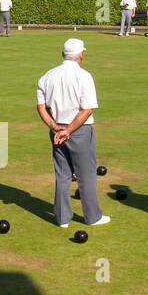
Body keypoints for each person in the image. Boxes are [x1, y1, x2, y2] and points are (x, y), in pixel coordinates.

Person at [37, 37, 110, 229]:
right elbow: (87, 110)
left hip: (56, 130)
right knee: (86, 175)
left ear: (63, 54)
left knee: (62, 174)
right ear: (81, 55)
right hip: (79, 130)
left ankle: (62, 219)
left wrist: (55, 127)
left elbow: (41, 107)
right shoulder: (84, 76)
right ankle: (92, 217)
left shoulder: (47, 76)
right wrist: (68, 130)